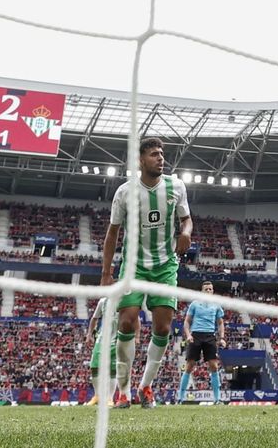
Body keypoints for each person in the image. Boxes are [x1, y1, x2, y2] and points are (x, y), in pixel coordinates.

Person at [100, 137, 192, 408]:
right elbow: (113, 233)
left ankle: (146, 387)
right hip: (133, 267)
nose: (160, 158)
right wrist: (106, 273)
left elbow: (186, 218)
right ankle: (123, 391)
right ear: (140, 159)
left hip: (165, 266)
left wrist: (185, 233)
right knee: (127, 323)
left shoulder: (176, 186)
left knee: (163, 328)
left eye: (162, 153)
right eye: (154, 154)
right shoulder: (125, 192)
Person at [177, 281, 226, 405]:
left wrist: (222, 338)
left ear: (213, 291)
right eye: (206, 289)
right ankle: (180, 398)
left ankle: (217, 399)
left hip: (210, 336)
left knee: (214, 366)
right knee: (189, 365)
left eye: (210, 289)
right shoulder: (195, 304)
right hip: (196, 335)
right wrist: (188, 335)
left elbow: (220, 323)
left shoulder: (216, 305)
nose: (208, 291)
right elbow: (187, 322)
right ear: (202, 291)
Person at [84, 297, 117, 406]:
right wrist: (89, 334)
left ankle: (110, 398)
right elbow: (94, 318)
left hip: (116, 338)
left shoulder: (124, 300)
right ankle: (97, 395)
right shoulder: (103, 301)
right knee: (94, 366)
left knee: (112, 370)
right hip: (101, 339)